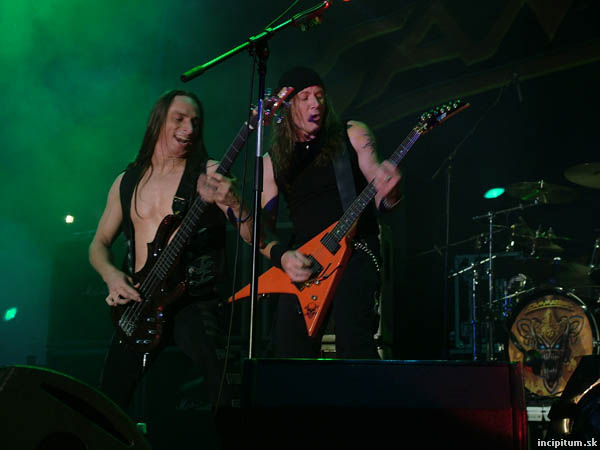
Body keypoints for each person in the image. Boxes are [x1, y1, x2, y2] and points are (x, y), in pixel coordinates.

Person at [88, 89, 252, 415]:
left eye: (195, 122)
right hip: (140, 304)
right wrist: (112, 276)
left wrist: (236, 202)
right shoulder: (127, 181)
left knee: (225, 387)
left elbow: (253, 236)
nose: (188, 128)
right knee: (107, 403)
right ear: (158, 121)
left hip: (193, 300)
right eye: (179, 119)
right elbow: (98, 244)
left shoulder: (209, 173)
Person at [259, 67, 402, 359]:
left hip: (356, 249)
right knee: (287, 350)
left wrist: (391, 192)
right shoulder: (272, 160)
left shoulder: (352, 133)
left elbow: (381, 196)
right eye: (305, 98)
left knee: (354, 340)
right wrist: (283, 257)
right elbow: (263, 229)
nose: (315, 104)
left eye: (320, 96)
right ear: (287, 107)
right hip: (307, 259)